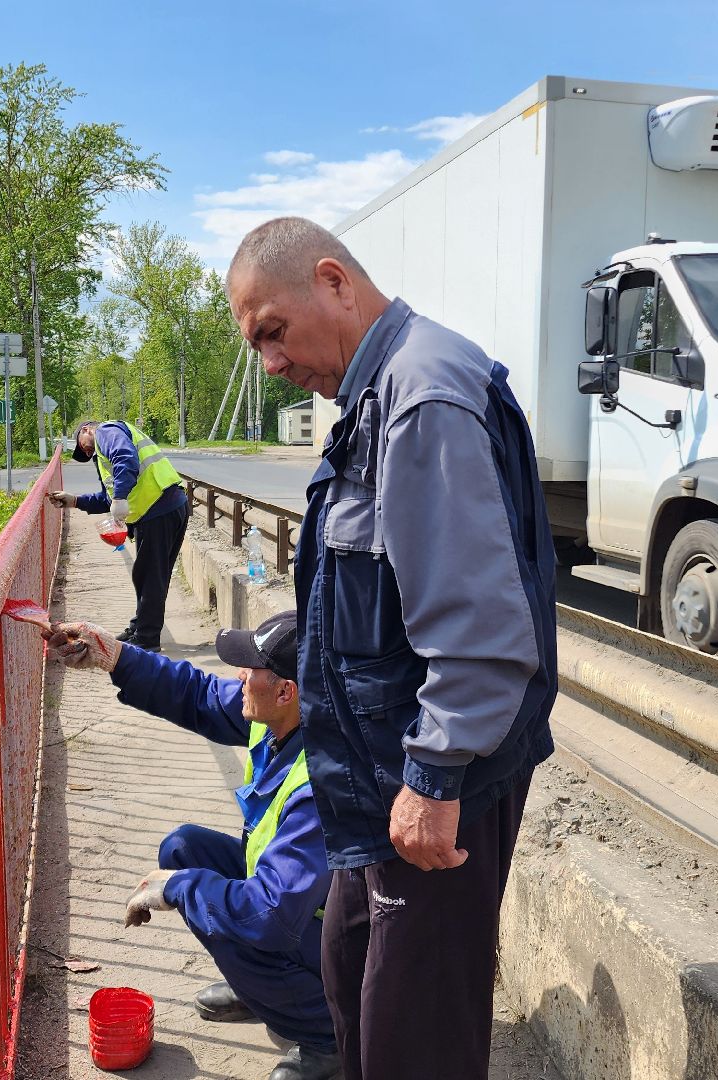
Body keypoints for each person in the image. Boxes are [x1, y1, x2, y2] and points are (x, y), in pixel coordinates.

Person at [224, 217, 558, 1080]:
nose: (272, 363)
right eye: (257, 344)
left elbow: (480, 622)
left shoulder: (420, 394)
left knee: (418, 1035)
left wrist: (435, 777)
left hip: (432, 780)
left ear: (333, 282)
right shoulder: (377, 392)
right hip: (379, 776)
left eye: (273, 331)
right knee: (353, 982)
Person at [44, 611, 340, 1080]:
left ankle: (328, 1036)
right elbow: (198, 693)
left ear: (286, 691)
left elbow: (269, 916)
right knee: (183, 848)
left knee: (226, 909)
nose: (238, 676)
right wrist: (115, 656)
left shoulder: (322, 784)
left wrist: (178, 888)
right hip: (299, 902)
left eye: (250, 669)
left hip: (331, 932)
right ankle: (261, 989)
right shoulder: (283, 715)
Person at [48, 420, 188, 652]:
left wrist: (120, 497)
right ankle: (140, 627)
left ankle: (147, 639)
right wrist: (75, 501)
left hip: (158, 508)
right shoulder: (105, 451)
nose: (87, 452)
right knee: (149, 575)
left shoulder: (106, 431)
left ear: (87, 429)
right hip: (164, 508)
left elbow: (126, 458)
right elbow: (108, 498)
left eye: (83, 447)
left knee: (149, 576)